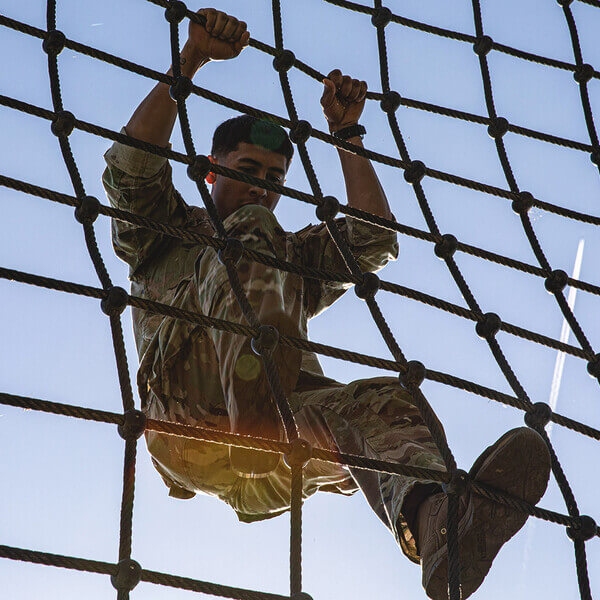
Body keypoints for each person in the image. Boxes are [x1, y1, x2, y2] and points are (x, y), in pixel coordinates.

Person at [102, 8, 551, 599]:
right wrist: (192, 59)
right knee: (253, 230)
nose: (263, 184)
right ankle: (257, 414)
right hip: (189, 427)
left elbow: (372, 239)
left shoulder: (283, 255)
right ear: (210, 171)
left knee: (388, 401)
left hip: (277, 457)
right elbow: (132, 167)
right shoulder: (164, 230)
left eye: (274, 175)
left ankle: (439, 527)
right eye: (247, 169)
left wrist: (347, 135)